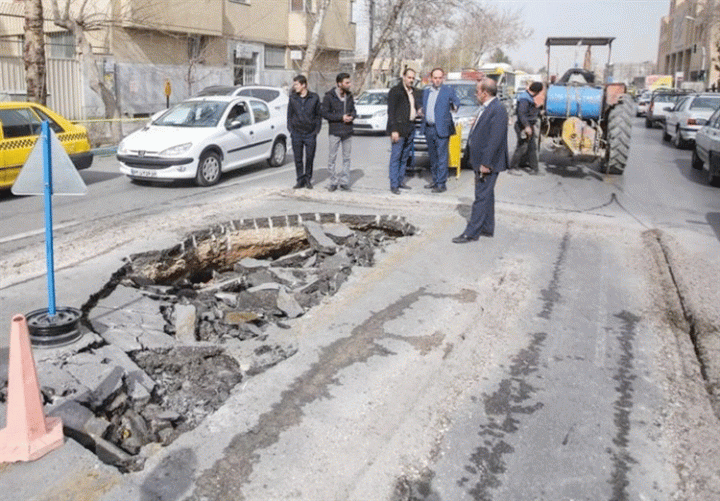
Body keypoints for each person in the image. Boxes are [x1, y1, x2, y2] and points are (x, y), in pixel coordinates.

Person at [453, 78, 509, 243]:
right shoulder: (487, 108)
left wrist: (486, 163)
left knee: (481, 197)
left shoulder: (497, 109)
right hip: (482, 160)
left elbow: (495, 139)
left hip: (488, 162)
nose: (476, 94)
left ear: (485, 93)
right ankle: (487, 227)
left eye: (477, 91)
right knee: (487, 195)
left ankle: (471, 232)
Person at [421, 68, 460, 193]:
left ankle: (441, 184)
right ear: (431, 78)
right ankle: (435, 180)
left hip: (442, 129)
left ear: (443, 78)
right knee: (433, 157)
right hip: (429, 128)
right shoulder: (426, 92)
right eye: (435, 78)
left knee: (442, 157)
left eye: (440, 78)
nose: (437, 80)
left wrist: (454, 106)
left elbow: (456, 102)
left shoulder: (448, 91)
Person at [386, 67, 420, 195]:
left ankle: (400, 181)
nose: (411, 80)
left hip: (411, 127)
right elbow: (391, 112)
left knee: (405, 156)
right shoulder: (395, 91)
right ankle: (394, 184)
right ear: (403, 77)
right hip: (398, 129)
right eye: (409, 77)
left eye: (413, 78)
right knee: (396, 156)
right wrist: (394, 130)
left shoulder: (413, 92)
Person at [321, 72, 356, 192]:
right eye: (347, 82)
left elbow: (353, 110)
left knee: (346, 158)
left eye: (349, 82)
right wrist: (341, 117)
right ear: (339, 84)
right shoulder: (329, 96)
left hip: (347, 131)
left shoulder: (349, 96)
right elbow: (325, 114)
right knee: (332, 158)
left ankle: (345, 182)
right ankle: (333, 182)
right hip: (335, 131)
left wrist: (352, 116)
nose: (349, 84)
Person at [287, 75, 322, 189]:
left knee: (309, 157)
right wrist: (291, 129)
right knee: (298, 158)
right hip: (296, 133)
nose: (294, 86)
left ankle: (308, 179)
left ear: (304, 85)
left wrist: (316, 130)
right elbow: (289, 115)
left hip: (310, 133)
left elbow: (318, 115)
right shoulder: (293, 98)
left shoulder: (314, 98)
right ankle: (300, 180)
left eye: (296, 84)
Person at [509, 81, 543, 175]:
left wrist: (539, 112)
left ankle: (534, 169)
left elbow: (530, 111)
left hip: (528, 125)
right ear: (538, 91)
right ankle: (513, 168)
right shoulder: (524, 98)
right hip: (523, 126)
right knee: (522, 147)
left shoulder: (528, 97)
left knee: (532, 147)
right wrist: (527, 127)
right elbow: (521, 114)